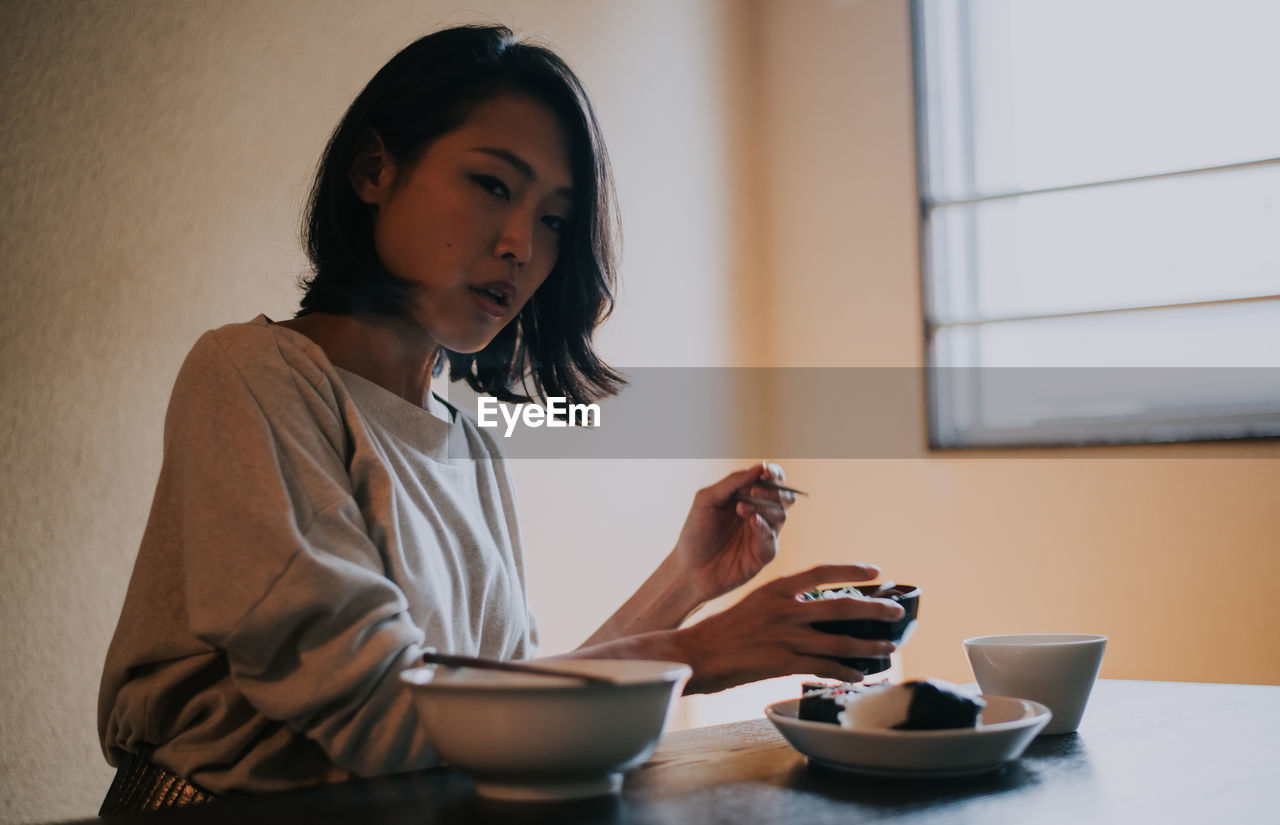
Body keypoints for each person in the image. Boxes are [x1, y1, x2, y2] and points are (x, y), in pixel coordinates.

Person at [96, 24, 904, 813]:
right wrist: (706, 653)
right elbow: (386, 713)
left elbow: (499, 712)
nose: (523, 244)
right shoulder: (253, 374)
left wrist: (684, 581)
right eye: (492, 184)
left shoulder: (467, 442)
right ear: (374, 169)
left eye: (554, 218)